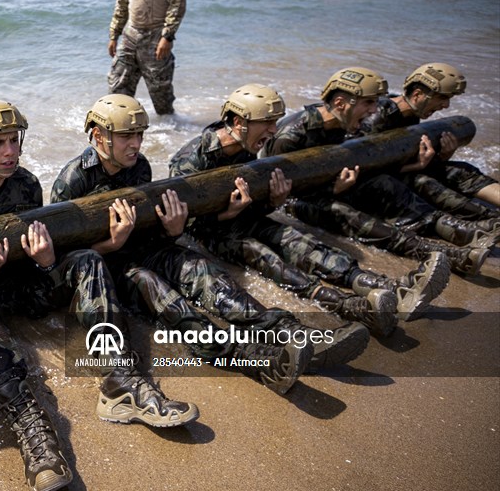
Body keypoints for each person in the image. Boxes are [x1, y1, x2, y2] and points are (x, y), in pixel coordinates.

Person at [0, 100, 197, 491]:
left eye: (14, 140)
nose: (11, 151)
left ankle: (120, 380)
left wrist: (48, 263)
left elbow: (40, 260)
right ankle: (29, 423)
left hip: (21, 289)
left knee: (85, 259)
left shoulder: (28, 185)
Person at [51, 94, 386, 392]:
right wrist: (112, 244)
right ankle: (246, 358)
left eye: (139, 135)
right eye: (126, 136)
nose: (136, 143)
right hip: (107, 269)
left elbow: (149, 228)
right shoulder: (73, 179)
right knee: (162, 295)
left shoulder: (138, 167)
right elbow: (69, 262)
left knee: (204, 272)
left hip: (141, 248)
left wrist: (172, 230)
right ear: (98, 135)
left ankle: (287, 331)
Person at [169, 84, 449, 329]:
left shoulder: (249, 149)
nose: (273, 131)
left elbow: (256, 204)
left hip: (242, 217)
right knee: (264, 256)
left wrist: (273, 202)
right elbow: (185, 225)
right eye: (267, 122)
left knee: (297, 240)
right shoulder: (190, 161)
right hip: (211, 231)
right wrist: (226, 214)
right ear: (239, 122)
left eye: (275, 122)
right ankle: (346, 306)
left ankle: (387, 287)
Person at [267, 67, 496, 277]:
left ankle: (456, 229)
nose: (375, 110)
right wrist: (332, 189)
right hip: (293, 201)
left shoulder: (343, 125)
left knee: (384, 183)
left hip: (329, 187)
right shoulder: (291, 137)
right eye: (368, 103)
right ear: (340, 103)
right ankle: (431, 252)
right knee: (344, 212)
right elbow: (277, 190)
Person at [360, 62, 500, 210]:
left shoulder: (410, 115)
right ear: (417, 94)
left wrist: (442, 156)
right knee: (426, 182)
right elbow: (363, 169)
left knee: (462, 169)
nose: (446, 105)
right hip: (373, 186)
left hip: (395, 173)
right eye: (442, 98)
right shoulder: (379, 116)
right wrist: (417, 166)